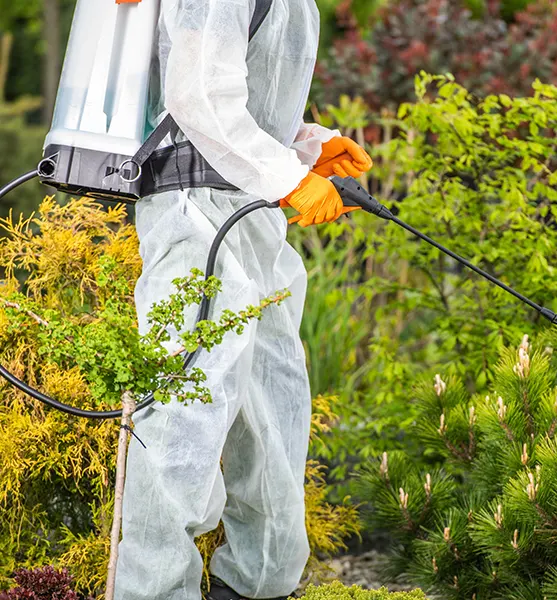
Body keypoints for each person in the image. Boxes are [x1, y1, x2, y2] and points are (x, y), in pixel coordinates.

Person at [114, 1, 372, 599]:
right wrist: (288, 178)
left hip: (251, 218)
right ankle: (152, 591)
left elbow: (238, 91)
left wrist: (306, 148)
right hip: (194, 216)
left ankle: (260, 582)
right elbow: (196, 95)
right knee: (186, 411)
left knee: (274, 400)